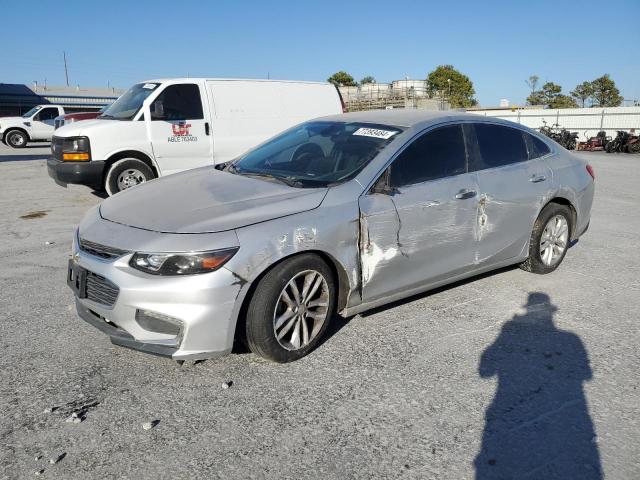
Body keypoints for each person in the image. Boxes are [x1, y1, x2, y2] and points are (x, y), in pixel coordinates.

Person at [475, 292, 602, 479]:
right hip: (567, 414)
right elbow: (586, 375)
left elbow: (485, 371)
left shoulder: (508, 329)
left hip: (507, 407)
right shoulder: (571, 339)